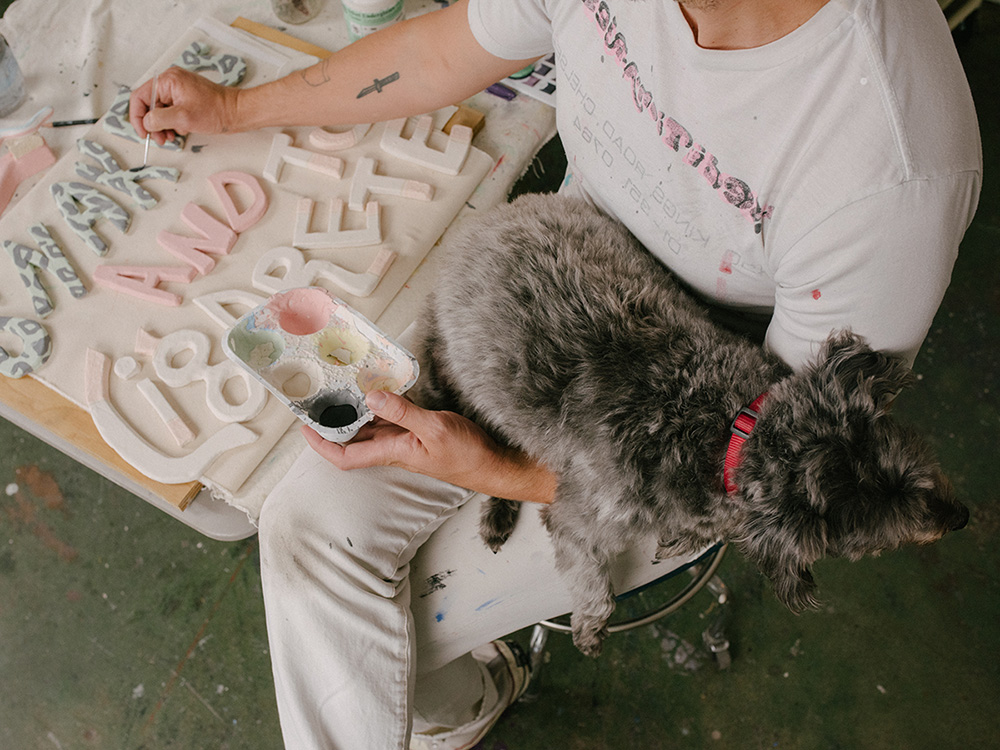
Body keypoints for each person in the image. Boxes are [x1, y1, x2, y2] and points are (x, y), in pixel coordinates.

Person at [130, 0, 981, 748]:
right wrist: (238, 107)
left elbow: (774, 490)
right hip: (547, 300)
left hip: (686, 458)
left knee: (403, 634)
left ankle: (463, 693)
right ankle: (458, 711)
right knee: (305, 533)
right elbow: (441, 52)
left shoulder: (890, 173)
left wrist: (488, 468)